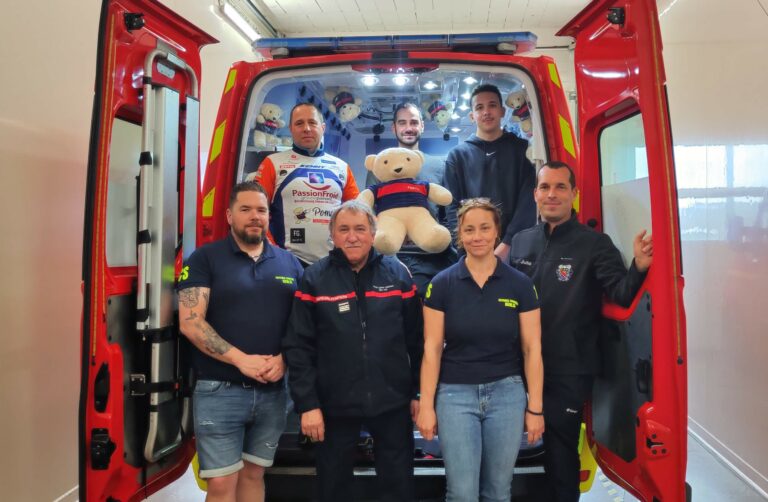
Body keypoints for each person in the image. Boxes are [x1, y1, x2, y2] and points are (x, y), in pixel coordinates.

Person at [507, 161, 654, 502]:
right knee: (511, 446)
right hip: (518, 365)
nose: (552, 194)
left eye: (560, 187)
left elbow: (621, 293)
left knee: (560, 450)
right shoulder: (521, 242)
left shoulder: (595, 244)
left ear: (574, 194)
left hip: (569, 369)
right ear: (535, 194)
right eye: (545, 187)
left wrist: (639, 266)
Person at [283, 200, 422, 502]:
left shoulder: (398, 275)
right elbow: (299, 347)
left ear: (373, 233)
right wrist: (307, 404)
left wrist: (417, 393)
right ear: (332, 234)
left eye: (360, 229)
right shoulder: (314, 279)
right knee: (333, 488)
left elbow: (417, 341)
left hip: (392, 403)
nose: (352, 237)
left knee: (399, 487)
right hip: (334, 407)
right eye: (343, 229)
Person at [177, 181, 303, 502]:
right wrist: (241, 360)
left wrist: (284, 359)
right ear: (229, 215)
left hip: (273, 391)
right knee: (221, 482)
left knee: (254, 473)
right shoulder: (205, 259)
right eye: (245, 209)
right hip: (219, 389)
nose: (254, 216)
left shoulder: (289, 264)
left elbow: (302, 324)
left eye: (261, 210)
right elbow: (191, 322)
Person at [417, 198, 544, 501]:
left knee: (498, 491)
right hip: (455, 396)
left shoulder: (520, 284)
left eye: (485, 228)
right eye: (469, 229)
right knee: (462, 492)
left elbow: (532, 348)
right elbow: (432, 349)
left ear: (497, 231)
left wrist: (535, 408)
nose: (477, 236)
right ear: (460, 234)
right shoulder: (442, 284)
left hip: (507, 395)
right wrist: (426, 406)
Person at [251, 102, 360, 266]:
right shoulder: (272, 163)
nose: (306, 128)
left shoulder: (342, 167)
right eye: (299, 123)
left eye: (312, 122)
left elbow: (358, 215)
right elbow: (255, 213)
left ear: (323, 127)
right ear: (290, 128)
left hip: (334, 263)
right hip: (286, 263)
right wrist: (272, 252)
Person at [365, 101, 456, 296]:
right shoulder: (379, 167)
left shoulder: (438, 165)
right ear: (394, 127)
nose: (408, 128)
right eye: (402, 122)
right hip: (391, 257)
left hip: (432, 258)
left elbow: (447, 210)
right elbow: (369, 214)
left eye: (414, 122)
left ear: (422, 125)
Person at [443, 83, 536, 262]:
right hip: (471, 253)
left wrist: (507, 245)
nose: (486, 112)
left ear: (502, 111)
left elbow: (528, 202)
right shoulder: (457, 156)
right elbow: (451, 207)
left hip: (515, 252)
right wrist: (466, 248)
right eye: (479, 107)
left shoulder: (522, 150)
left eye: (492, 105)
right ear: (472, 116)